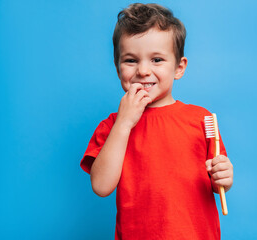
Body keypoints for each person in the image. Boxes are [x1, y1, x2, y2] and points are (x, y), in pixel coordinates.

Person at [80, 3, 234, 239]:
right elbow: (101, 186)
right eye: (131, 60)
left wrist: (224, 177)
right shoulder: (112, 126)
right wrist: (124, 123)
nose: (142, 70)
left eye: (157, 60)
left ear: (179, 67)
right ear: (117, 67)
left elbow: (216, 183)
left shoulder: (201, 119)